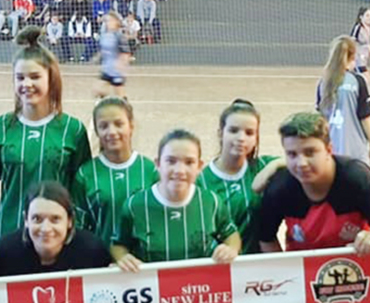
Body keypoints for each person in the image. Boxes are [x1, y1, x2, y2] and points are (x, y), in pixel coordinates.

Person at [0, 28, 91, 269]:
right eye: (20, 78)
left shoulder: (72, 130)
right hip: (9, 237)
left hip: (56, 242)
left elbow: (81, 194)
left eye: (35, 77)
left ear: (51, 78)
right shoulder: (0, 128)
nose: (27, 84)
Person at [257, 112, 370, 254]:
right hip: (303, 272)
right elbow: (266, 238)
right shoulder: (279, 188)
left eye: (310, 152)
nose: (301, 163)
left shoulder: (356, 179)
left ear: (329, 150)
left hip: (355, 267)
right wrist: (285, 272)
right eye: (292, 154)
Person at [112, 129, 241, 270]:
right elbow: (118, 244)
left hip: (199, 287)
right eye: (171, 161)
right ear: (158, 164)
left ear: (199, 167)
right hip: (153, 288)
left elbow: (231, 233)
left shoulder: (212, 202)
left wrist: (231, 249)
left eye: (189, 162)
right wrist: (122, 258)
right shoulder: (134, 206)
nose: (180, 170)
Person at [197, 99, 282, 254]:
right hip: (222, 266)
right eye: (234, 130)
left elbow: (295, 160)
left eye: (249, 133)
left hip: (260, 265)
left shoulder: (263, 166)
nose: (241, 138)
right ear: (220, 133)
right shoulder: (201, 182)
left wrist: (274, 166)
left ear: (256, 138)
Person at [71, 97, 158, 244]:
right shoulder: (85, 175)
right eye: (104, 126)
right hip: (100, 261)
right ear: (97, 131)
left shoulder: (149, 171)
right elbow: (79, 226)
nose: (111, 132)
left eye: (118, 124)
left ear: (131, 126)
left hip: (141, 263)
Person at [0, 181, 112, 277]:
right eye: (37, 219)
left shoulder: (92, 251)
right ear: (26, 220)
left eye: (55, 219)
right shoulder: (3, 253)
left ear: (70, 221)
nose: (46, 228)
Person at [316, 36, 370, 166]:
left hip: (331, 153)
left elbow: (320, 121)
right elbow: (365, 118)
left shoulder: (323, 83)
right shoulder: (358, 81)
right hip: (355, 153)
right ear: (352, 56)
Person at [95, 11, 132, 99]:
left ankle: (126, 109)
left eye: (110, 20)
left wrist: (122, 64)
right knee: (98, 90)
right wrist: (97, 57)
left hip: (116, 71)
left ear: (116, 22)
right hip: (106, 69)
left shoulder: (119, 36)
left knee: (120, 96)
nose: (108, 23)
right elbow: (103, 50)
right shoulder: (104, 35)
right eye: (107, 21)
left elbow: (125, 52)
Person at [349, 7, 370, 77]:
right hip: (357, 58)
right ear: (361, 17)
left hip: (363, 58)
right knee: (366, 77)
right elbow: (351, 42)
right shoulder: (358, 28)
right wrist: (352, 57)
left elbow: (368, 44)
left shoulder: (368, 28)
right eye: (367, 15)